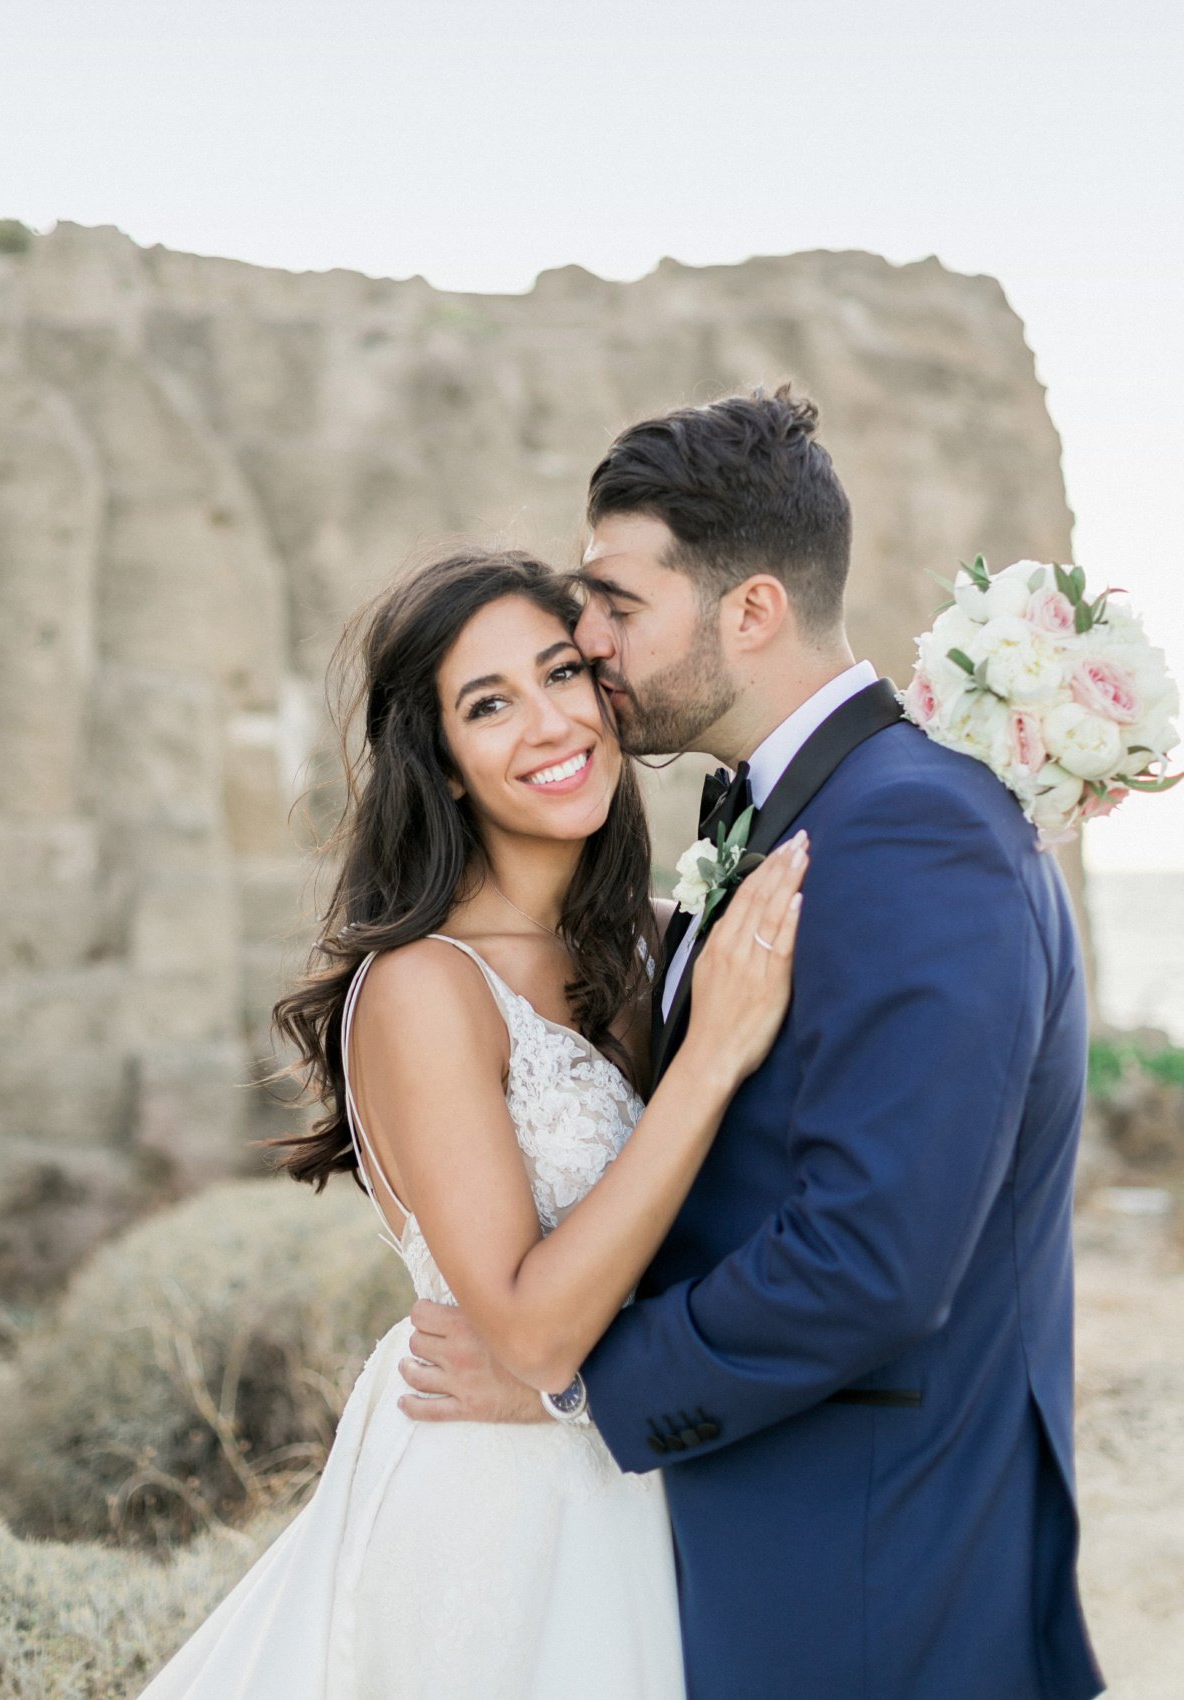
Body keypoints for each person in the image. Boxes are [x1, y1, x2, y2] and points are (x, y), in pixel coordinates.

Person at [401, 389, 1106, 1700]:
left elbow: (870, 1260)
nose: (588, 643)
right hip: (780, 1551)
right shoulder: (795, 815)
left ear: (752, 611)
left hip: (876, 1581)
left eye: (615, 606)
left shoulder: (908, 831)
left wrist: (581, 1394)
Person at [136, 547, 806, 1699]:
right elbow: (534, 1334)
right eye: (488, 704)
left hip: (650, 1478)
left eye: (561, 674)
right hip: (489, 1511)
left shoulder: (664, 943)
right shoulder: (421, 987)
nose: (547, 723)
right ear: (440, 765)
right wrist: (709, 1061)